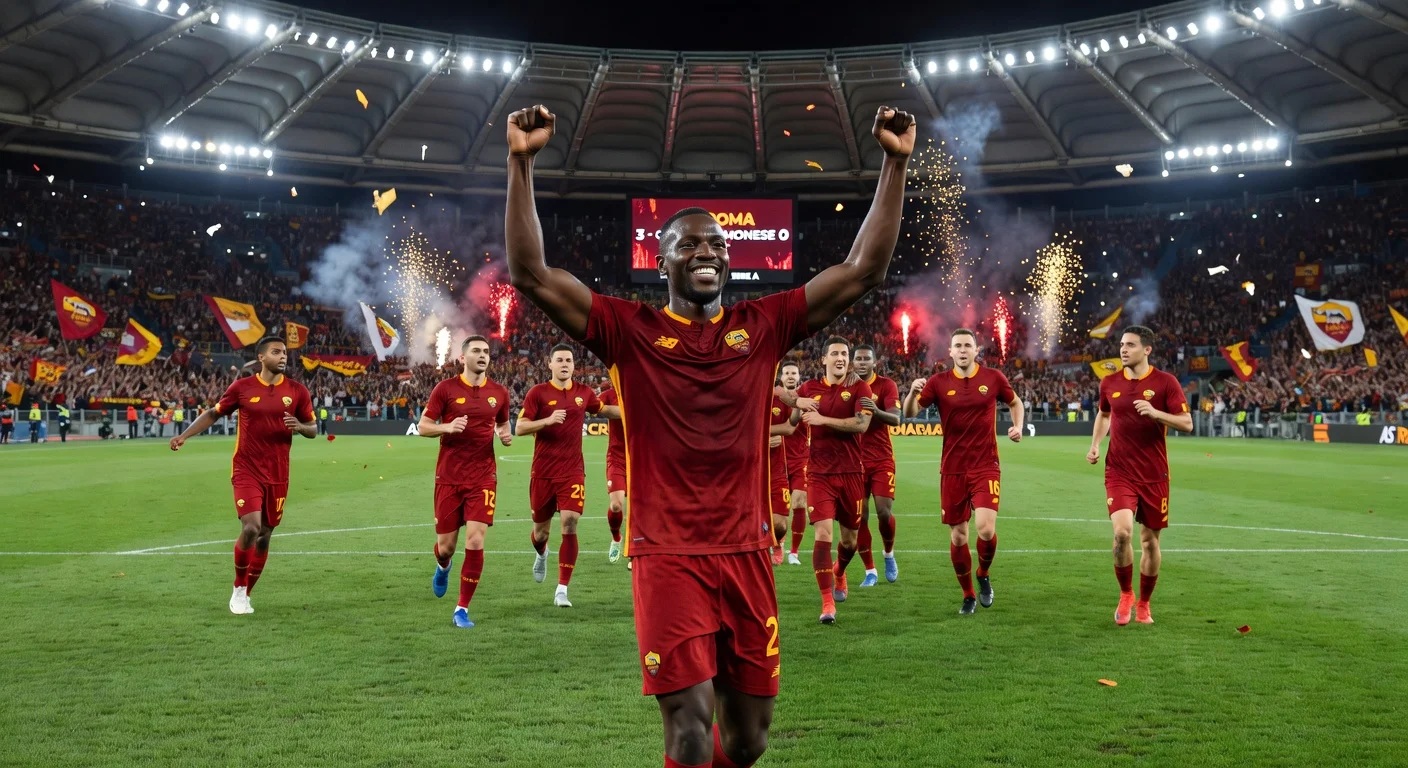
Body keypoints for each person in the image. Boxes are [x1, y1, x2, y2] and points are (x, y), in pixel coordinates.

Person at [505, 102, 913, 768]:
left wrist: (895, 162)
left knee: (746, 740)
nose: (706, 252)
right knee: (690, 733)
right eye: (689, 243)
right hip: (665, 555)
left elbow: (863, 270)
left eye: (717, 245)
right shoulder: (626, 331)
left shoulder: (766, 325)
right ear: (659, 257)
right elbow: (532, 276)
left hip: (749, 552)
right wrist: (521, 162)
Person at [169, 336, 316, 615]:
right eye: (276, 352)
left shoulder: (297, 391)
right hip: (246, 469)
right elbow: (214, 413)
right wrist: (185, 435)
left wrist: (299, 426)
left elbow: (313, 428)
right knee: (251, 528)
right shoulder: (242, 387)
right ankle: (238, 589)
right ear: (261, 357)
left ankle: (247, 593)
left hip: (278, 473)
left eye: (285, 352)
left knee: (265, 535)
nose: (283, 356)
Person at [903, 328, 1024, 616]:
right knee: (959, 536)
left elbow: (1015, 402)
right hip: (953, 468)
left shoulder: (993, 378)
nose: (962, 350)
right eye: (957, 345)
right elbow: (909, 413)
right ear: (951, 351)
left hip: (986, 465)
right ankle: (968, 594)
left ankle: (983, 573)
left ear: (976, 350)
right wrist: (911, 393)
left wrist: (1018, 426)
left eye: (968, 345)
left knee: (985, 527)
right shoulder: (938, 382)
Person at [1086, 325, 1192, 626]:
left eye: (1130, 345)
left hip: (1154, 474)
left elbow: (1187, 423)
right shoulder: (1109, 383)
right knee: (1122, 534)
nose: (1123, 349)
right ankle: (1126, 594)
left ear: (1146, 350)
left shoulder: (1166, 383)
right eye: (1121, 344)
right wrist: (1095, 445)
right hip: (1118, 470)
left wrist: (1156, 413)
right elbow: (1104, 414)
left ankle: (1144, 603)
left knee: (1149, 543)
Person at [418, 335, 513, 629]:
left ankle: (462, 608)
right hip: (449, 476)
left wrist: (503, 434)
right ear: (463, 357)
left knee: (475, 539)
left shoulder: (499, 392)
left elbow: (502, 421)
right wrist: (447, 426)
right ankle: (443, 566)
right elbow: (423, 427)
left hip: (483, 476)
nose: (483, 355)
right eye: (476, 351)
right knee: (446, 547)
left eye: (486, 351)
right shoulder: (445, 389)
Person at [515, 343, 618, 608]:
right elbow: (520, 427)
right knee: (540, 532)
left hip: (572, 471)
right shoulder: (538, 394)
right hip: (543, 472)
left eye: (568, 360)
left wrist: (638, 412)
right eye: (559, 360)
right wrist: (546, 422)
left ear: (574, 365)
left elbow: (605, 411)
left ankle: (562, 589)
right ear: (549, 365)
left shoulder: (584, 393)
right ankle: (541, 553)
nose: (564, 364)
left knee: (570, 522)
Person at [794, 337, 872, 623]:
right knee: (824, 534)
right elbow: (792, 415)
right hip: (818, 474)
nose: (841, 358)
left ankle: (839, 572)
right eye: (835, 354)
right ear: (823, 360)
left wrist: (823, 419)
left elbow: (862, 424)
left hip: (852, 472)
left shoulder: (860, 387)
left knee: (850, 542)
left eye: (845, 354)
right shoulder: (809, 389)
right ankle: (827, 603)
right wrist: (794, 400)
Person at [850, 344, 901, 586]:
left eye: (865, 359)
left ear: (874, 363)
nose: (861, 362)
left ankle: (888, 554)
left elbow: (896, 419)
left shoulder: (885, 385)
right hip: (853, 460)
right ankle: (870, 571)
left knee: (883, 511)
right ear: (853, 362)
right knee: (860, 517)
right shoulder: (845, 386)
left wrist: (876, 410)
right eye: (857, 358)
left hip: (881, 459)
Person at [778, 363, 810, 566]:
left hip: (801, 461)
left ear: (799, 377)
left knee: (799, 502)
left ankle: (794, 552)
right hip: (778, 460)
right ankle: (778, 543)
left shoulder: (805, 400)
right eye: (787, 373)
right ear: (782, 377)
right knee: (778, 508)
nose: (790, 376)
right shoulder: (773, 398)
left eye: (794, 373)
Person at [767, 388, 798, 566]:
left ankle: (778, 542)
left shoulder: (779, 397)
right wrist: (762, 438)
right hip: (751, 474)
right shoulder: (745, 396)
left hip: (777, 471)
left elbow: (789, 427)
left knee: (779, 526)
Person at [599, 380, 628, 564]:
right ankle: (616, 538)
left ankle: (637, 550)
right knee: (616, 505)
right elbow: (595, 407)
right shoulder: (610, 394)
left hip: (641, 457)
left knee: (641, 508)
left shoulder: (646, 390)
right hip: (617, 458)